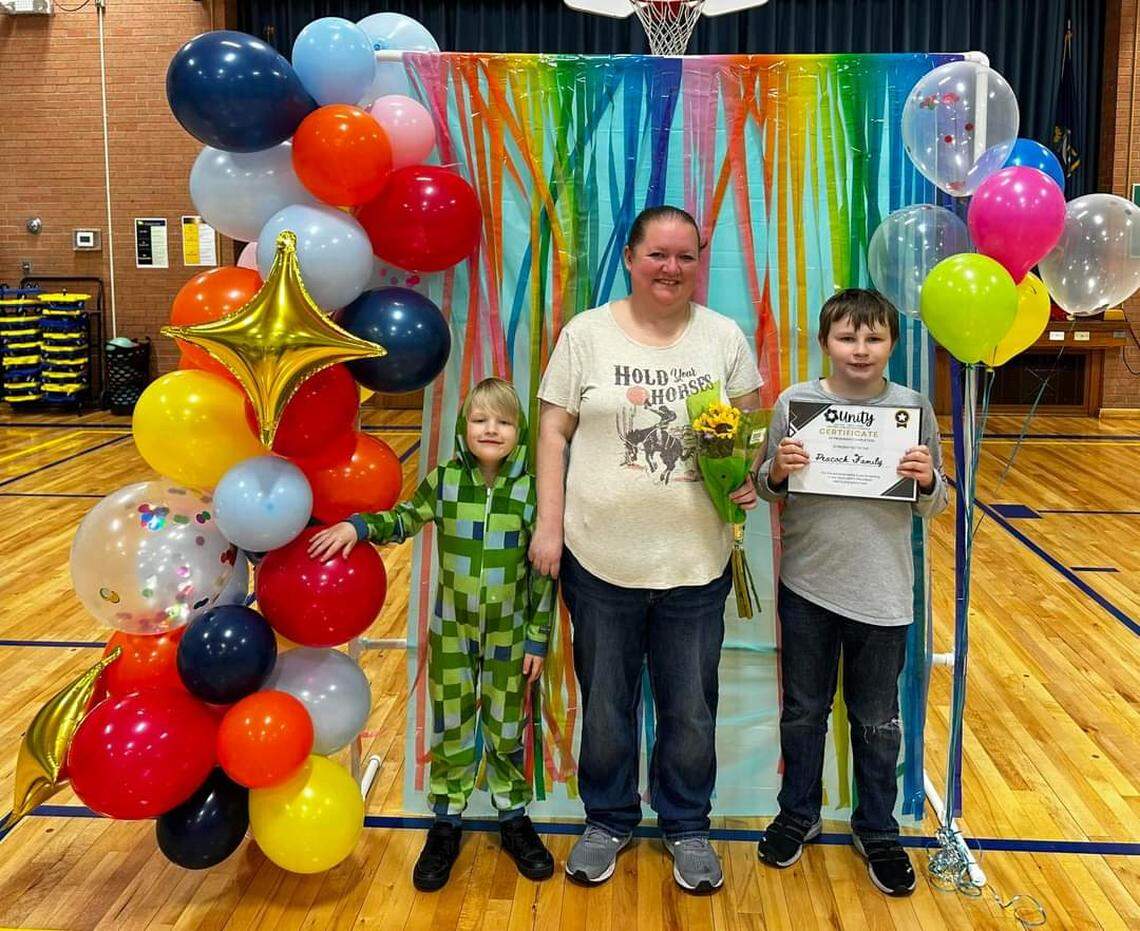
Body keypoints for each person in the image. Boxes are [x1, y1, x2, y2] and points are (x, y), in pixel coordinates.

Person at [529, 205, 762, 894]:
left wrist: (744, 474)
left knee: (691, 707)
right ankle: (607, 817)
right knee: (605, 703)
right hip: (599, 563)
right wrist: (549, 524)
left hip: (696, 565)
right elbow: (551, 432)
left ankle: (687, 823)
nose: (671, 268)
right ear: (630, 257)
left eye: (685, 256)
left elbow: (748, 425)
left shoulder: (722, 338)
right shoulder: (586, 335)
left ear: (700, 261)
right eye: (657, 254)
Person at [309, 377, 555, 892]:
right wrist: (359, 526)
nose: (492, 429)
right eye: (481, 419)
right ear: (464, 426)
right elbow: (404, 518)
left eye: (504, 421)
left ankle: (513, 819)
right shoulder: (444, 481)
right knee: (452, 721)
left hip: (511, 634)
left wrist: (536, 637)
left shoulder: (533, 491)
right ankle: (446, 821)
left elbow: (542, 574)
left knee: (509, 725)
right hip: (451, 631)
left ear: (520, 432)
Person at [753, 288, 949, 896]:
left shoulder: (913, 409)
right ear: (825, 343)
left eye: (873, 338)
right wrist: (780, 469)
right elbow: (765, 487)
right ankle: (798, 813)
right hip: (807, 588)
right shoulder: (796, 403)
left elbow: (935, 504)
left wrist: (926, 479)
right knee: (804, 712)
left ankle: (878, 828)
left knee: (876, 719)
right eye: (847, 337)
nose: (860, 350)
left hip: (885, 594)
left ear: (892, 343)